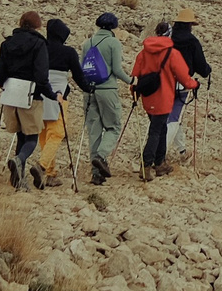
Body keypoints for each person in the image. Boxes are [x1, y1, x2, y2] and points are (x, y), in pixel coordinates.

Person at [0, 11, 54, 190]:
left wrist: (7, 86)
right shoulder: (39, 44)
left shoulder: (7, 44)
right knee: (32, 137)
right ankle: (19, 160)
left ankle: (17, 180)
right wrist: (50, 94)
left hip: (11, 94)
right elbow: (41, 76)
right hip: (31, 95)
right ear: (38, 26)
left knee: (20, 135)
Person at [131, 20, 194, 178]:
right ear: (169, 34)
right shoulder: (172, 53)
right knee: (156, 130)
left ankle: (160, 163)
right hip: (164, 97)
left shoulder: (143, 53)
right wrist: (195, 84)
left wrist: (134, 94)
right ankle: (146, 165)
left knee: (160, 128)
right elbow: (184, 77)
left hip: (148, 97)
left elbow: (135, 76)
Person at [82, 12, 129, 185]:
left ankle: (96, 174)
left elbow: (82, 68)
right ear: (113, 27)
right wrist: (131, 81)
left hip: (89, 91)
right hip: (107, 89)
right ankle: (101, 156)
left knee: (94, 131)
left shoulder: (88, 43)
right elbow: (117, 69)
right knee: (113, 127)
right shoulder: (113, 42)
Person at [34, 18, 80, 186]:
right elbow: (78, 75)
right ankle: (42, 165)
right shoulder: (68, 52)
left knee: (44, 133)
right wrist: (89, 88)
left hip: (39, 94)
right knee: (57, 133)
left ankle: (50, 173)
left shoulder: (40, 48)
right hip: (58, 97)